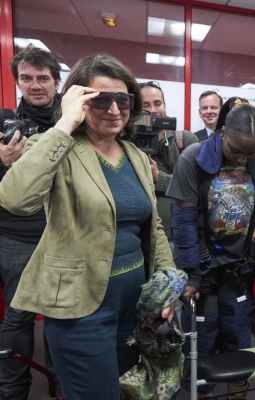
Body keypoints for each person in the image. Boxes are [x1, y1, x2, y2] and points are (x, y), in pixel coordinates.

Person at [0, 54, 175, 400]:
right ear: (77, 101)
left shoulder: (136, 156)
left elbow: (152, 226)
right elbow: (16, 198)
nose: (113, 109)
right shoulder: (56, 146)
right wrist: (64, 123)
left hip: (133, 301)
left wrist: (166, 282)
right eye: (100, 99)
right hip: (80, 306)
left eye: (122, 99)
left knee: (127, 389)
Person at [166, 97, 255, 398]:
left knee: (237, 332)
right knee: (201, 337)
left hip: (238, 267)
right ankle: (202, 391)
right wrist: (191, 274)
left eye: (251, 152)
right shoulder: (193, 158)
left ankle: (237, 391)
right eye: (236, 150)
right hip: (203, 265)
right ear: (222, 132)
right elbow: (182, 224)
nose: (243, 159)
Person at [0, 44, 61, 400]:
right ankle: (12, 392)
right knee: (18, 317)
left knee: (63, 316)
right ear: (18, 82)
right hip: (16, 236)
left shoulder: (73, 123)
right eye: (27, 78)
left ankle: (62, 386)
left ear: (56, 82)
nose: (35, 85)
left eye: (43, 78)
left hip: (62, 232)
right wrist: (4, 162)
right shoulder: (4, 124)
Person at [139, 81, 198, 250]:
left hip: (177, 236)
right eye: (146, 105)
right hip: (139, 236)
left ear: (164, 105)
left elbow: (195, 184)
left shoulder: (185, 140)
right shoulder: (127, 142)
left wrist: (159, 178)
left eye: (157, 103)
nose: (153, 110)